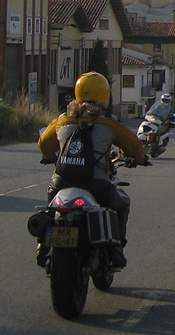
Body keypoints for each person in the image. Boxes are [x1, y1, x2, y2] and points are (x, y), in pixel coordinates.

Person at [37, 71, 147, 268]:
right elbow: (135, 149)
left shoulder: (62, 121)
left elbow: (45, 145)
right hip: (97, 184)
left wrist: (49, 157)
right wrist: (139, 159)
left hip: (62, 182)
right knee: (121, 204)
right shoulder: (110, 124)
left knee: (51, 208)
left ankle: (42, 245)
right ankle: (115, 249)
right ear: (105, 94)